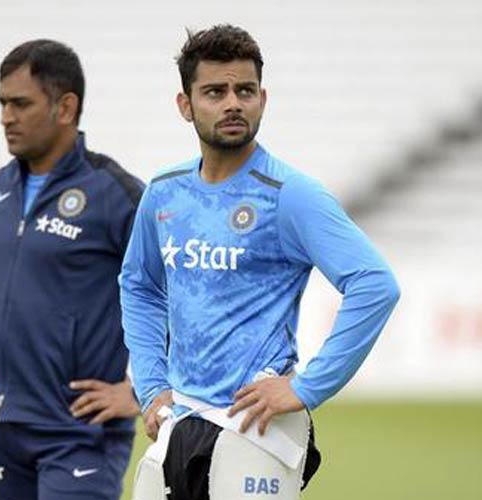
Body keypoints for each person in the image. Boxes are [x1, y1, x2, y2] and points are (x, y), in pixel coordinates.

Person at [120, 25, 400, 500]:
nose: (233, 103)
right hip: (180, 420)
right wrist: (151, 387)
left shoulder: (290, 195)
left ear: (262, 99)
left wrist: (307, 388)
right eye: (215, 92)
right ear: (185, 105)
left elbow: (374, 285)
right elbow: (139, 285)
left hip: (255, 425)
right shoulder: (164, 193)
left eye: (245, 91)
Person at [0, 39, 143, 500]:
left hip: (79, 435)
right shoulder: (1, 187)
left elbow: (179, 289)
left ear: (65, 107)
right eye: (2, 103)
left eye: (21, 104)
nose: (6, 117)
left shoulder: (115, 193)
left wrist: (141, 390)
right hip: (5, 431)